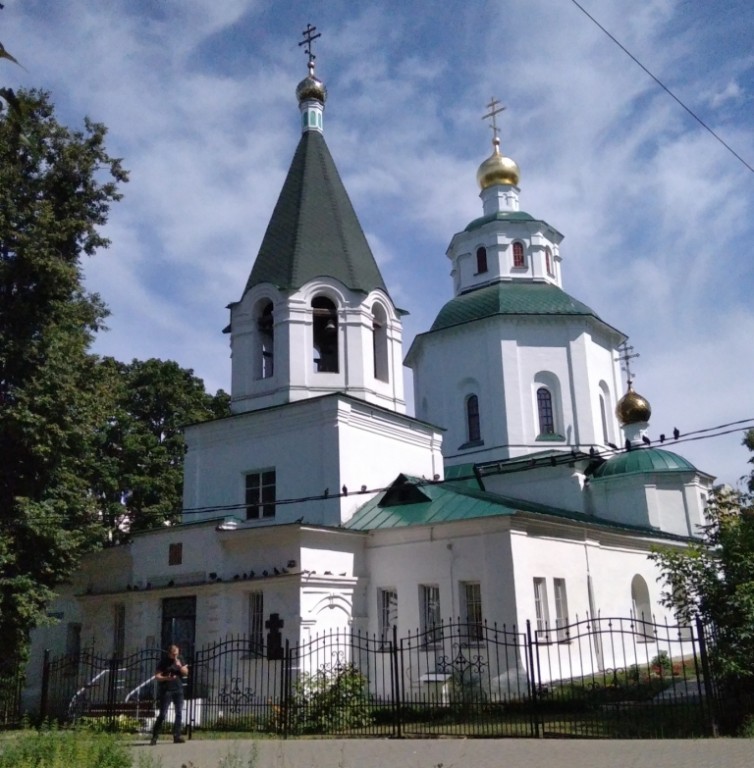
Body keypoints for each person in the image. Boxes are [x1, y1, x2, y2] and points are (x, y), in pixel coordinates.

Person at [150, 644, 189, 745]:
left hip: (178, 689)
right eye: (173, 654)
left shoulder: (180, 659)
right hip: (167, 690)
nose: (175, 656)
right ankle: (154, 737)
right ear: (169, 653)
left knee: (179, 713)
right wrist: (166, 678)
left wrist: (180, 666)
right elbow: (157, 676)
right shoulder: (164, 662)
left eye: (177, 654)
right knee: (162, 714)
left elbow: (186, 673)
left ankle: (177, 735)